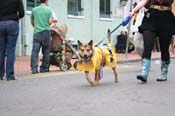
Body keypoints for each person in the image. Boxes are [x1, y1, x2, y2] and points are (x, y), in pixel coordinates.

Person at [130, 0, 175, 82]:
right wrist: (133, 11)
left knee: (164, 49)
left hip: (166, 18)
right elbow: (143, 1)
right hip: (151, 17)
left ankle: (164, 73)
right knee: (148, 46)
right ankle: (144, 72)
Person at [30, 0, 57, 74]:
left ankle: (34, 68)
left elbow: (32, 21)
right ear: (46, 1)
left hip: (37, 33)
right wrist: (51, 21)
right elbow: (49, 22)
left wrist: (36, 27)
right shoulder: (49, 10)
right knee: (46, 51)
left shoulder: (34, 10)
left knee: (35, 51)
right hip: (46, 33)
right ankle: (44, 68)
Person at [0, 0, 25, 81]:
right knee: (11, 50)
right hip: (12, 23)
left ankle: (0, 75)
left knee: (1, 50)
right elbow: (22, 13)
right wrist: (15, 18)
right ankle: (10, 75)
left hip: (1, 23)